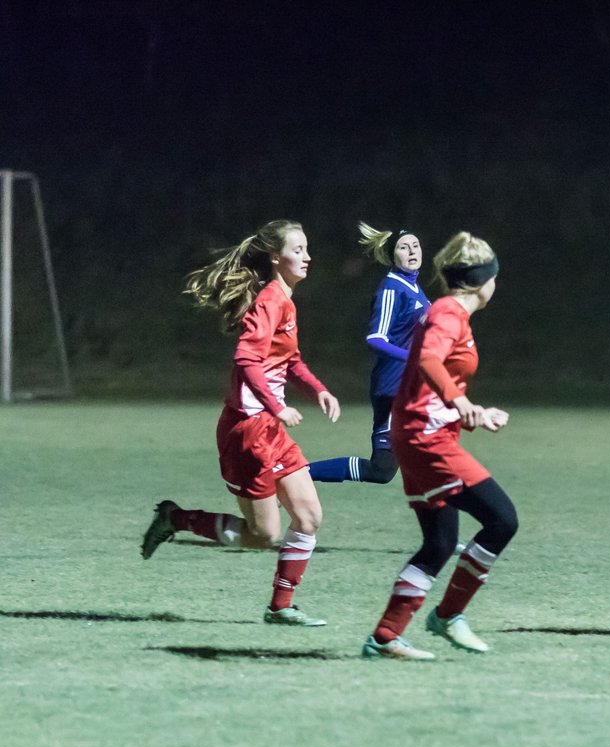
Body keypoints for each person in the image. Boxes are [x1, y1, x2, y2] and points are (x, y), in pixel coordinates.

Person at [140, 219, 342, 627]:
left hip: (270, 428)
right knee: (263, 536)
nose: (307, 256)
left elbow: (290, 359)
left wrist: (318, 389)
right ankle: (175, 518)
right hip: (248, 431)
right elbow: (246, 359)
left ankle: (280, 609)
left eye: (307, 248)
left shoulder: (285, 299)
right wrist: (276, 406)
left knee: (308, 518)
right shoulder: (270, 300)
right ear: (274, 257)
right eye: (297, 249)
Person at [362, 231, 518, 661]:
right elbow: (429, 358)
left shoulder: (450, 314)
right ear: (482, 280)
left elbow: (428, 379)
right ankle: (448, 615)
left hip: (422, 432)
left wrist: (476, 412)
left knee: (439, 544)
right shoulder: (449, 313)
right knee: (502, 520)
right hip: (424, 438)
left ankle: (385, 637)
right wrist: (461, 400)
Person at [309, 222, 427, 485]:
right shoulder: (392, 288)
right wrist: (415, 359)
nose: (412, 251)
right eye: (404, 247)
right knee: (382, 469)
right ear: (391, 255)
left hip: (411, 388)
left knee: (428, 455)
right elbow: (376, 338)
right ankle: (299, 475)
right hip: (393, 388)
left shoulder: (415, 289)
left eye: (416, 245)